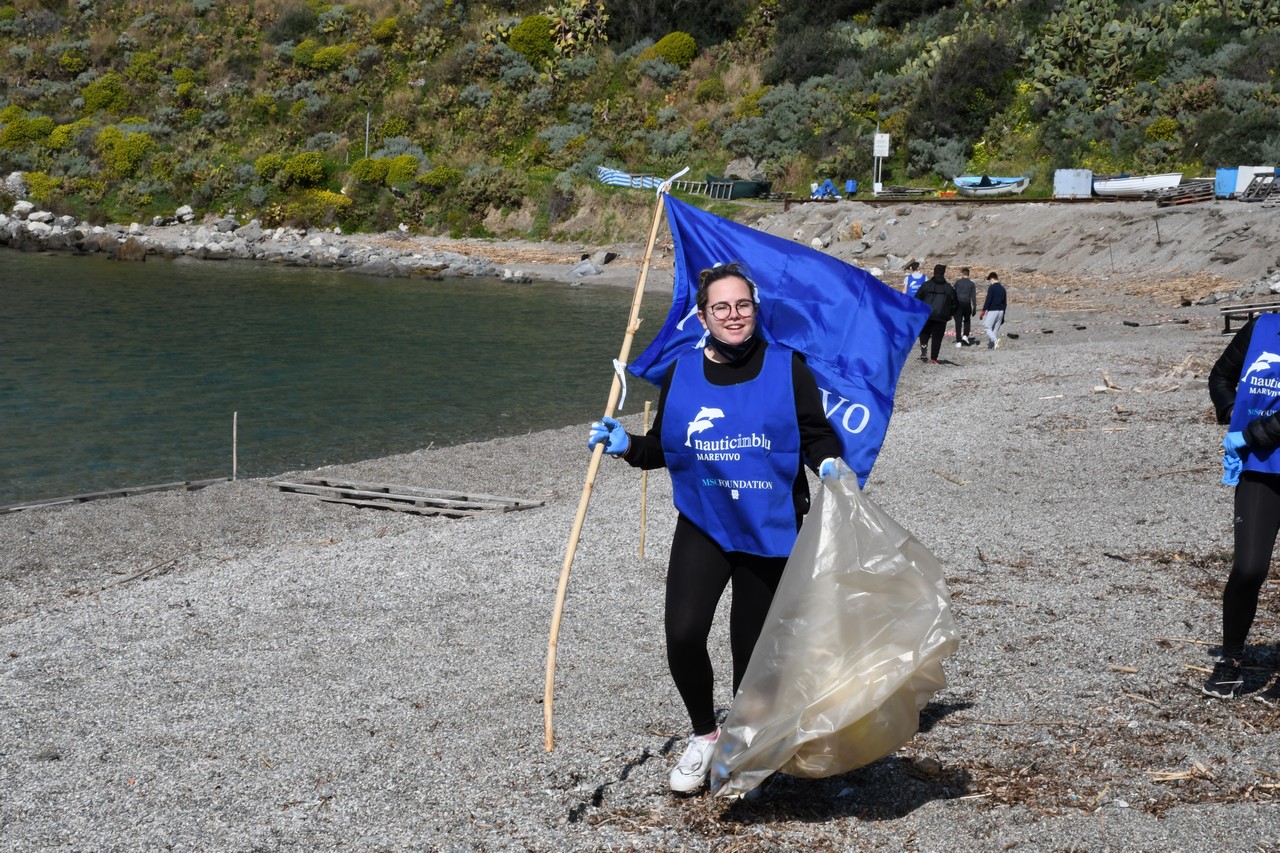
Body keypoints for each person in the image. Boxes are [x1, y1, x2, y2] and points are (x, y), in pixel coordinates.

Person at [586, 262, 844, 794]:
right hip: (705, 521)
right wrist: (628, 445)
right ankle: (705, 734)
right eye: (721, 307)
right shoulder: (682, 371)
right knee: (682, 635)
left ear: (755, 309)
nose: (733, 315)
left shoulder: (787, 367)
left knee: (750, 650)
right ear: (703, 316)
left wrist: (831, 465)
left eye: (743, 305)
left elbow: (816, 435)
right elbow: (667, 447)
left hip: (769, 525)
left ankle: (744, 742)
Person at [1204, 314, 1280, 698]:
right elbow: (1219, 377)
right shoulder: (1260, 328)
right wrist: (1231, 415)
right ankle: (1231, 659)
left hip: (1257, 447)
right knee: (1249, 567)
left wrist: (1250, 434)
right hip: (1260, 469)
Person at [914, 264, 956, 364]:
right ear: (943, 273)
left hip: (926, 314)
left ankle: (924, 351)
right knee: (937, 337)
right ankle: (934, 358)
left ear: (934, 272)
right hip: (941, 316)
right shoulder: (948, 287)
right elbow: (954, 303)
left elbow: (917, 298)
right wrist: (950, 313)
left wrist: (918, 311)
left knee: (924, 333)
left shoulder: (926, 285)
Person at [980, 271, 1007, 349]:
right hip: (1001, 311)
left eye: (989, 280)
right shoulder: (1003, 289)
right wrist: (1003, 315)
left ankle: (995, 340)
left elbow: (988, 300)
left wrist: (983, 311)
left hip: (993, 310)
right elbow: (1005, 303)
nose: (989, 282)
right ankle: (993, 346)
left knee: (987, 328)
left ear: (992, 278)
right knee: (995, 329)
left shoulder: (992, 287)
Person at [952, 267, 978, 347]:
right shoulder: (972, 284)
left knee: (958, 322)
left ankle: (959, 341)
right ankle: (965, 336)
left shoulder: (958, 282)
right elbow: (973, 296)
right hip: (967, 303)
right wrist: (974, 307)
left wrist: (951, 306)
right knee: (967, 321)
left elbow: (953, 294)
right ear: (968, 274)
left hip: (958, 303)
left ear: (962, 273)